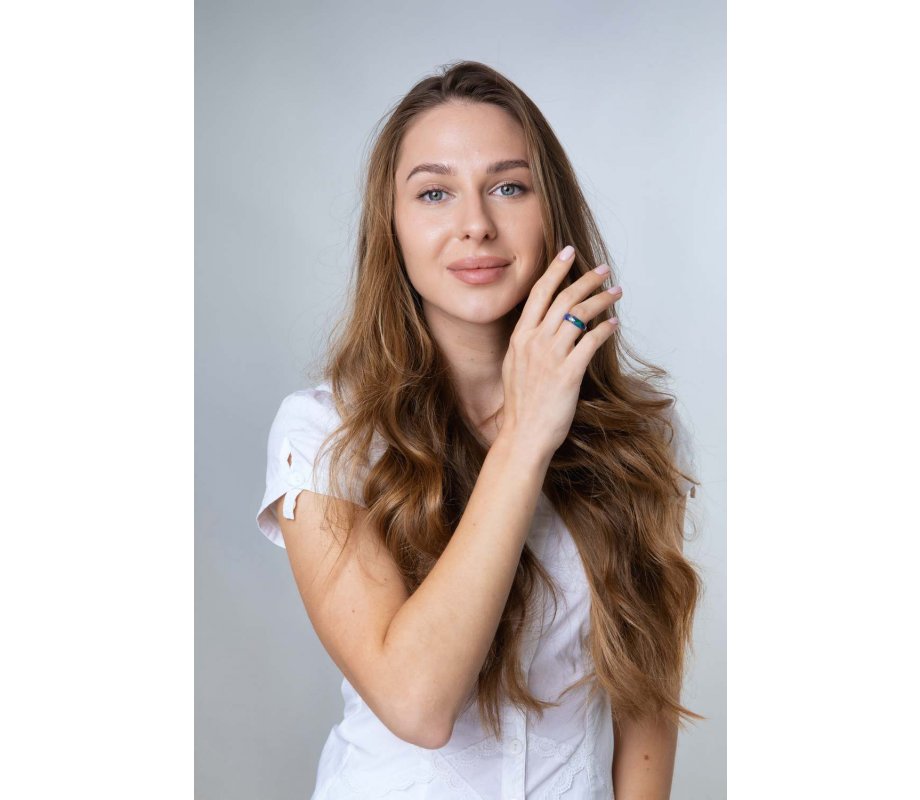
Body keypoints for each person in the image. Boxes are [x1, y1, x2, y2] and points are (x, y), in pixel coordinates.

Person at [256, 60, 703, 800]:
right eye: (435, 192)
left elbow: (645, 696)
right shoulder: (323, 434)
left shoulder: (637, 438)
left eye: (508, 186)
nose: (476, 224)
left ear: (549, 212)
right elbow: (416, 703)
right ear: (391, 230)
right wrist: (527, 437)